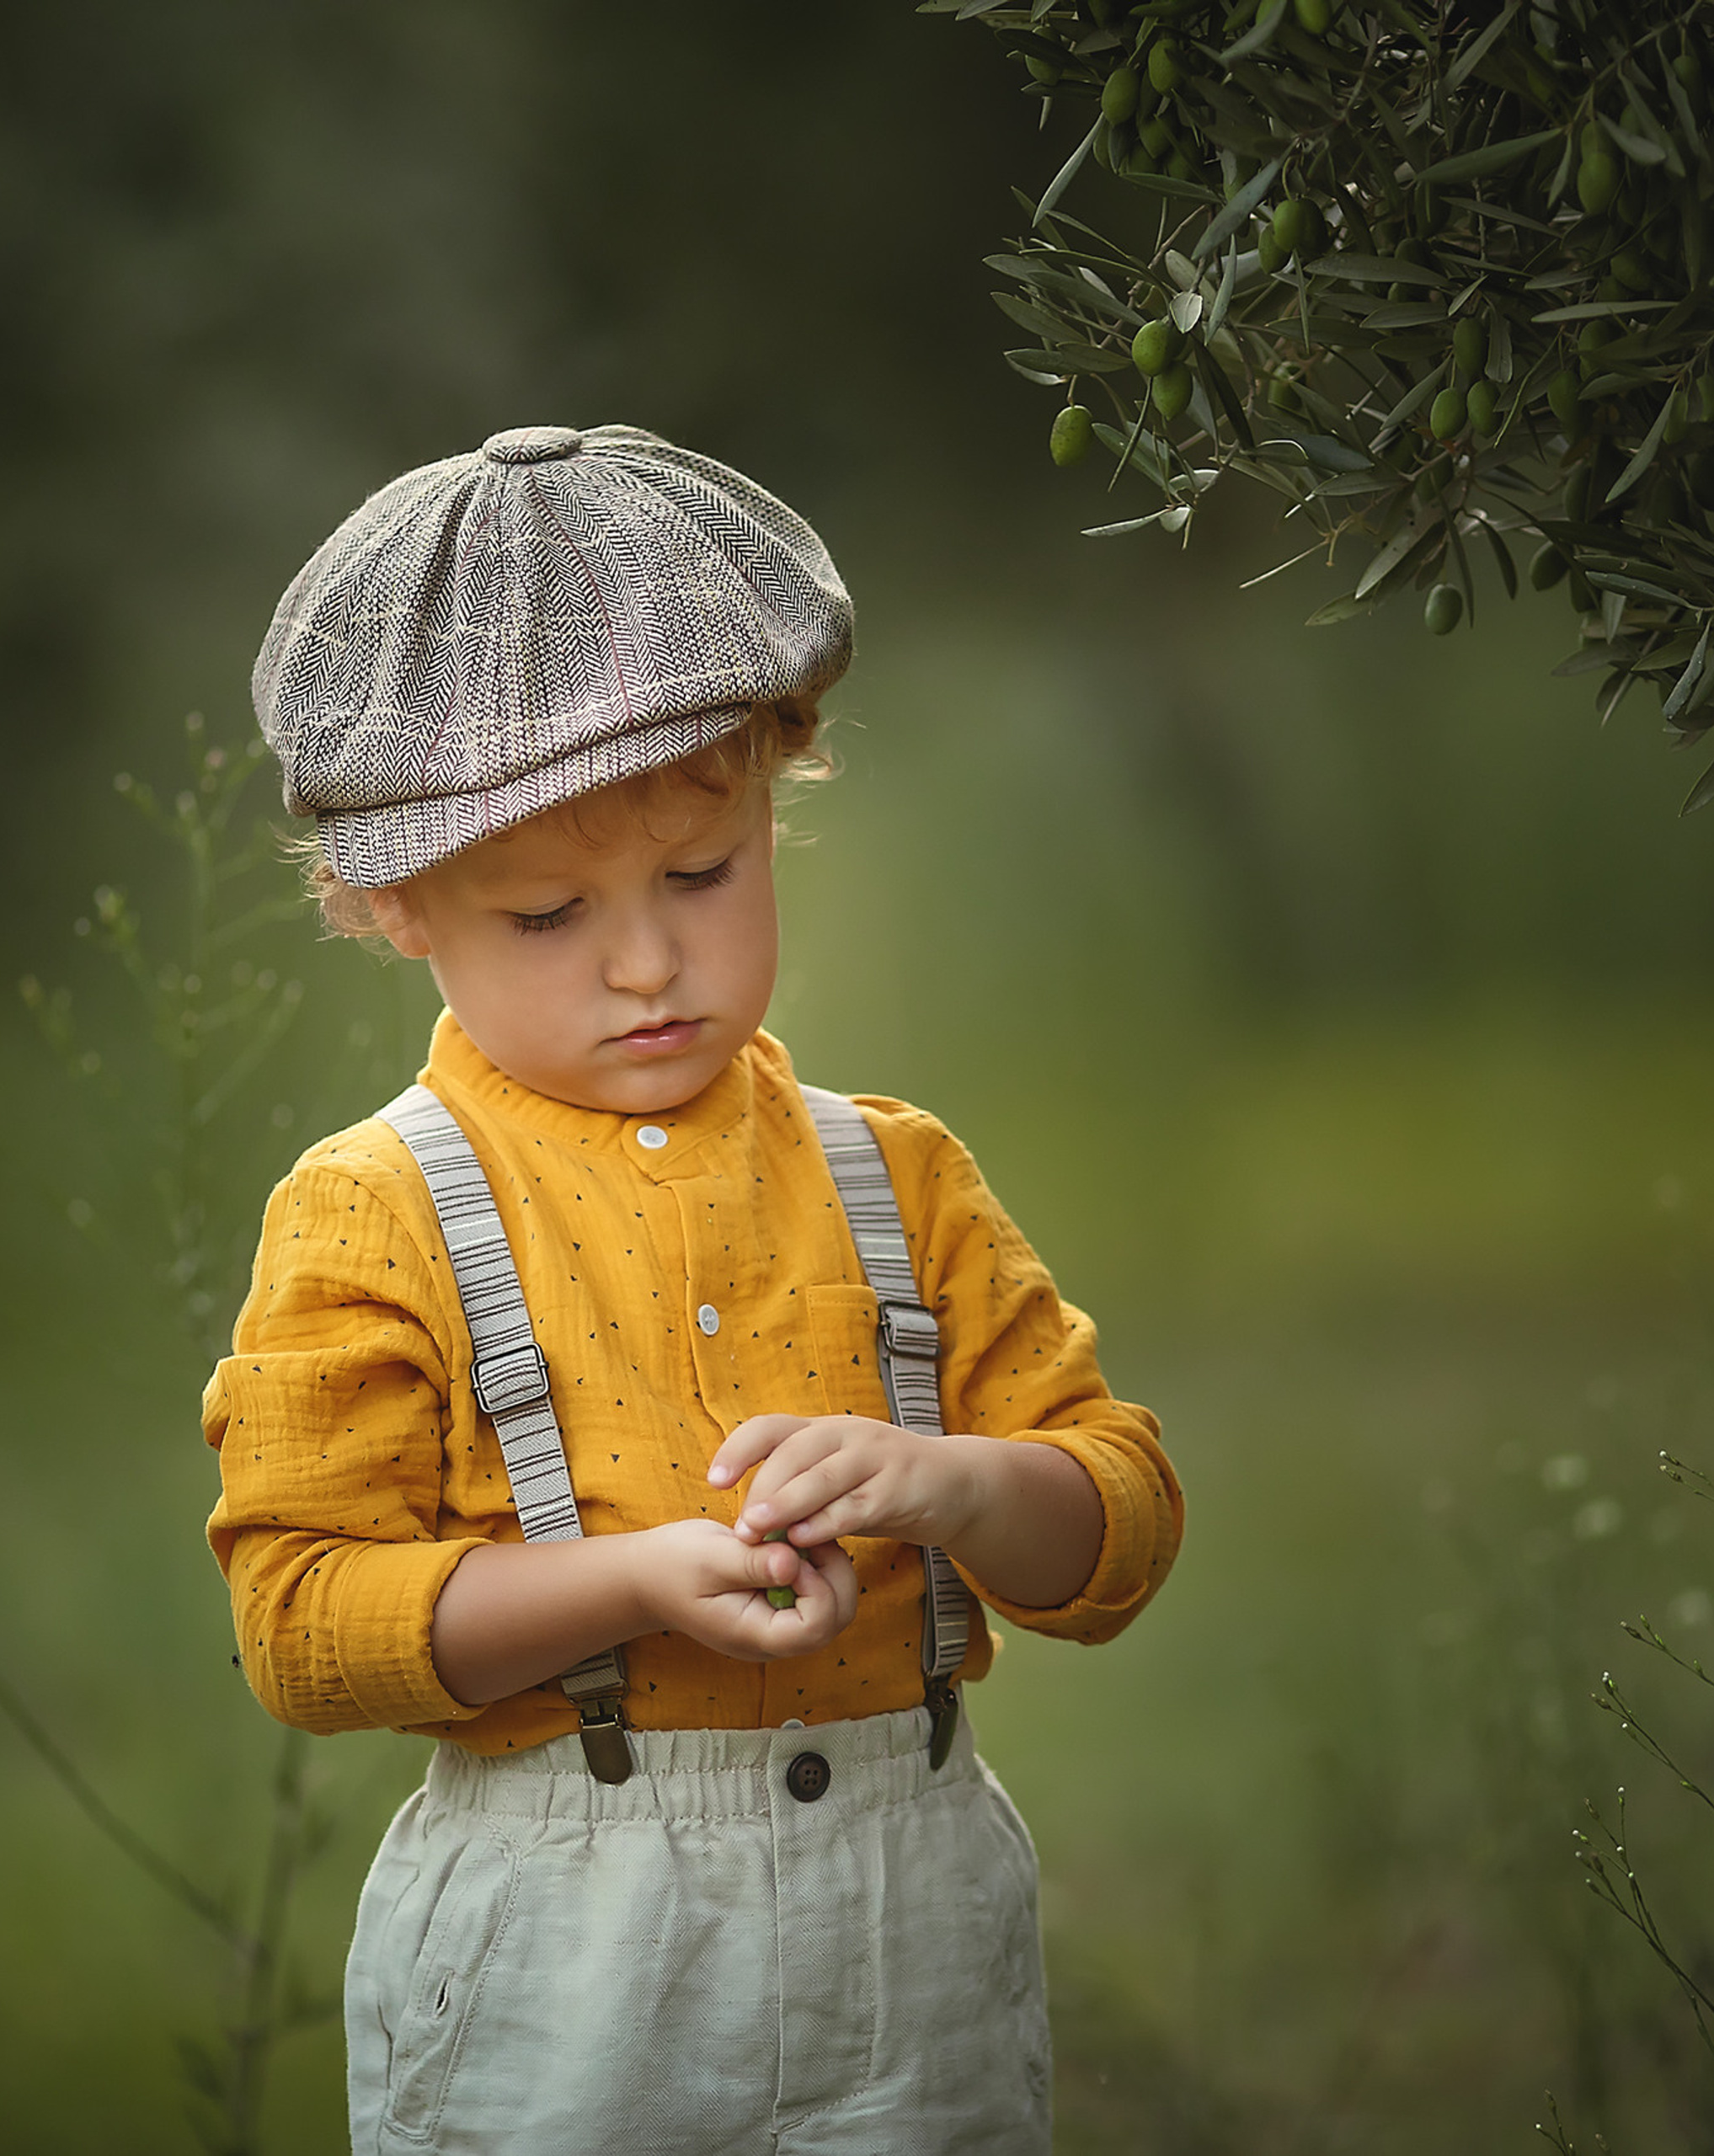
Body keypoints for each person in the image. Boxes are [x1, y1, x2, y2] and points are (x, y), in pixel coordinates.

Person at [201, 423, 1183, 2155]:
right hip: (570, 1964)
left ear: (775, 788)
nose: (645, 960)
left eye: (701, 876)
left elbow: (1118, 1529)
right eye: (544, 914)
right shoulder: (374, 1210)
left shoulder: (893, 1172)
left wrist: (953, 1483)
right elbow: (300, 1622)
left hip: (917, 1939)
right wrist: (627, 1582)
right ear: (391, 905)